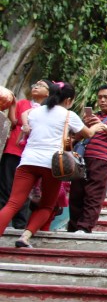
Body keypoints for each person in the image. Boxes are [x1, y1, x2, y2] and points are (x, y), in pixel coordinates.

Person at [0, 82, 95, 248]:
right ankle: (25, 236)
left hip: (28, 161)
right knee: (47, 205)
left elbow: (25, 123)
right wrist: (97, 126)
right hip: (52, 165)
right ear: (68, 100)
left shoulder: (35, 112)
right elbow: (87, 133)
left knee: (13, 203)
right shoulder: (68, 115)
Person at [68, 84, 107, 233]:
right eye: (100, 97)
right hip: (81, 159)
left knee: (94, 195)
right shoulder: (91, 117)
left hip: (103, 159)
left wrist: (103, 126)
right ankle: (73, 227)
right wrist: (84, 128)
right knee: (76, 194)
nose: (102, 100)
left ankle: (84, 228)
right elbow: (75, 138)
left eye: (106, 97)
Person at [0, 79, 52, 229]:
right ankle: (5, 223)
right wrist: (14, 104)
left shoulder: (49, 110)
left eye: (41, 85)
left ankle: (19, 224)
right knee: (6, 187)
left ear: (49, 92)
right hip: (13, 151)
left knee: (24, 191)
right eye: (35, 84)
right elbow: (14, 121)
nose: (36, 86)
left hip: (31, 156)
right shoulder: (23, 103)